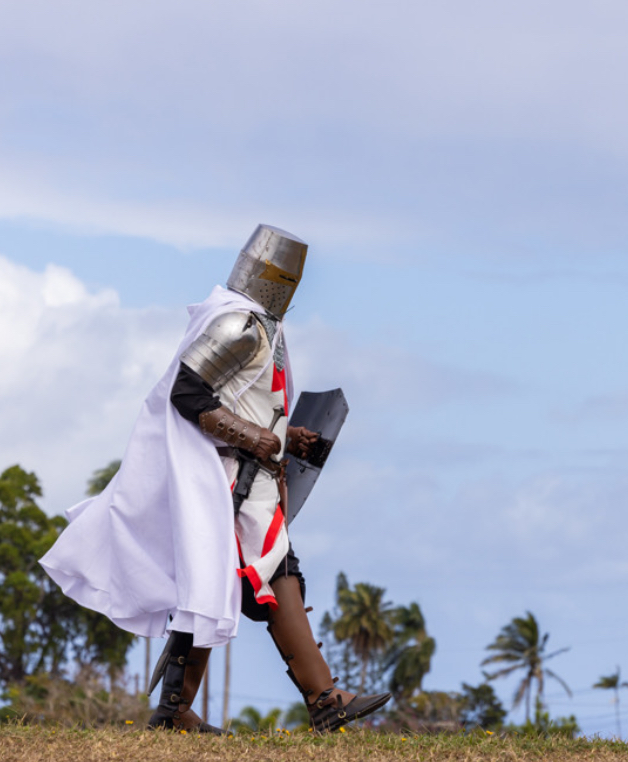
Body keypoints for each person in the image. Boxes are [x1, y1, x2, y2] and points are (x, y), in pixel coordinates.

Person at [40, 224, 390, 734]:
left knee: (244, 579)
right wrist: (255, 438)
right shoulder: (238, 326)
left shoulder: (264, 328)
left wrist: (284, 437)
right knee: (247, 578)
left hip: (255, 480)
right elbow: (188, 394)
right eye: (285, 275)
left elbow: (242, 402)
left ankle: (192, 710)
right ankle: (313, 699)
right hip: (226, 480)